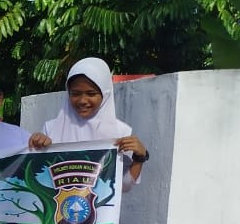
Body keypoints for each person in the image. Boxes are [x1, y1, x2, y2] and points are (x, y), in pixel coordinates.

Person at [28, 57, 150, 190]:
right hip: (57, 208)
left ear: (105, 94)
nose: (82, 100)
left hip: (98, 210)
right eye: (75, 94)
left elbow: (124, 186)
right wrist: (35, 148)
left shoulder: (121, 132)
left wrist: (139, 158)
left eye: (91, 94)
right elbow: (34, 177)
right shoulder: (50, 129)